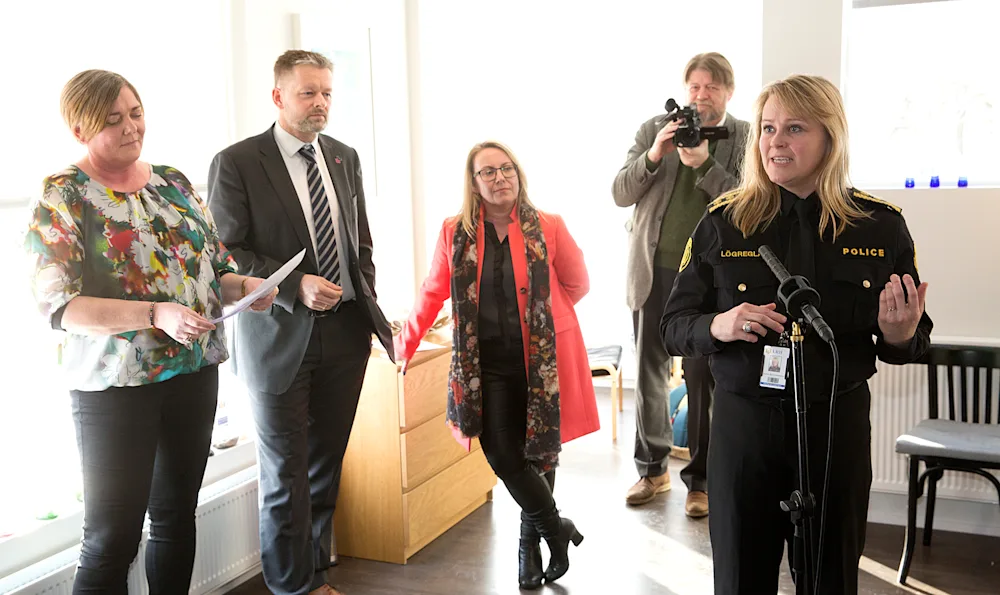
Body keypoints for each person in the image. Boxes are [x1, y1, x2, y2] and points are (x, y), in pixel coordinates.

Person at [661, 74, 932, 594]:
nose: (775, 141)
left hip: (836, 428)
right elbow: (672, 327)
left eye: (794, 128)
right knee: (740, 579)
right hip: (745, 430)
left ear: (830, 138)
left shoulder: (879, 226)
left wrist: (899, 333)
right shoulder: (723, 222)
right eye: (767, 128)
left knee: (832, 579)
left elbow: (913, 340)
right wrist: (720, 324)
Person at [24, 69, 276, 595]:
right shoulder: (64, 195)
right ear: (79, 130)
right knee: (112, 538)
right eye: (112, 120)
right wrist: (155, 314)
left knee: (176, 517)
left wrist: (247, 286)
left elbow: (215, 269)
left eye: (136, 113)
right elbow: (59, 306)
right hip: (115, 386)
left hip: (193, 372)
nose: (131, 127)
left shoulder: (173, 183)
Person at [207, 50, 393, 595]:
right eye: (308, 92)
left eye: (327, 93)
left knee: (325, 466)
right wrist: (294, 286)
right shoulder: (238, 162)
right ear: (278, 96)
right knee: (285, 472)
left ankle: (315, 574)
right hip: (277, 338)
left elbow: (359, 243)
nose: (320, 103)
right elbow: (225, 251)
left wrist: (367, 301)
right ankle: (293, 587)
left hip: (345, 333)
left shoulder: (343, 157)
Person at [394, 141, 600, 590]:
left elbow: (577, 282)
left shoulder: (549, 225)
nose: (500, 177)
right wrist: (404, 345)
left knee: (540, 451)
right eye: (488, 171)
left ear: (518, 174)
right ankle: (556, 528)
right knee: (505, 455)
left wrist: (543, 321)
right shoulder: (455, 232)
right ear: (474, 183)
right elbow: (433, 291)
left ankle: (529, 548)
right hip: (484, 365)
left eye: (506, 168)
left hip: (541, 359)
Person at [612, 52, 750, 513]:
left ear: (729, 91)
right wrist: (655, 154)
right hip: (652, 271)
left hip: (708, 281)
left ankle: (701, 481)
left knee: (702, 377)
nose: (701, 95)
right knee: (649, 372)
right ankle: (652, 471)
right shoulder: (656, 129)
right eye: (694, 86)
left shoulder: (746, 136)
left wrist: (706, 165)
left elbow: (749, 205)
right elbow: (620, 192)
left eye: (712, 87)